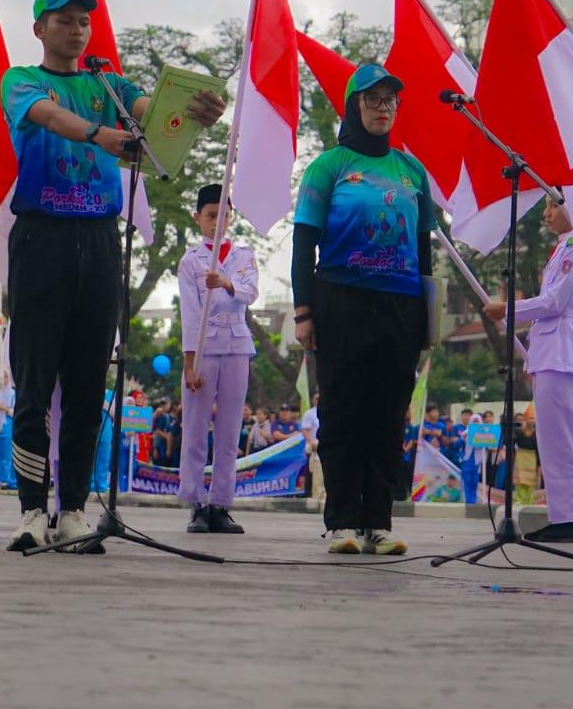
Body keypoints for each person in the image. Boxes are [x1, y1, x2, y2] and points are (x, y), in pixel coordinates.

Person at [0, 0, 224, 552]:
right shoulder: (23, 81)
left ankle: (73, 508)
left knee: (84, 382)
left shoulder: (111, 85)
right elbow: (50, 118)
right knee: (34, 380)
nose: (76, 30)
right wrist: (102, 136)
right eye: (64, 20)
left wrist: (199, 112)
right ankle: (31, 509)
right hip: (41, 238)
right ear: (39, 28)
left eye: (84, 21)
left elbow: (158, 116)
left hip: (100, 241)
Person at [292, 63, 435, 556]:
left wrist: (428, 322)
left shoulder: (412, 171)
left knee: (389, 415)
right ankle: (342, 522)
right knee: (342, 411)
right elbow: (303, 242)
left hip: (401, 306)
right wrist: (303, 312)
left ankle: (379, 520)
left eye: (390, 100)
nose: (383, 108)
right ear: (354, 106)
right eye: (372, 99)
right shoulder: (327, 166)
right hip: (340, 301)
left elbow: (426, 252)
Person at [486, 196, 573, 543]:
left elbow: (554, 302)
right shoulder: (565, 247)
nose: (547, 213)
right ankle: (563, 515)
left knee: (561, 439)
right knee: (553, 440)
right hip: (553, 350)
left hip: (563, 350)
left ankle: (571, 518)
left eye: (553, 205)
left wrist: (508, 309)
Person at [178, 183, 258, 534]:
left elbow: (251, 293)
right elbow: (190, 314)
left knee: (229, 432)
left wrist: (226, 283)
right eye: (211, 215)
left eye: (224, 215)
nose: (217, 221)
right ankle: (196, 502)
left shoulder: (244, 255)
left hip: (238, 346)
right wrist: (189, 361)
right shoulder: (190, 261)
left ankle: (221, 504)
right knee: (195, 429)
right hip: (204, 347)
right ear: (198, 218)